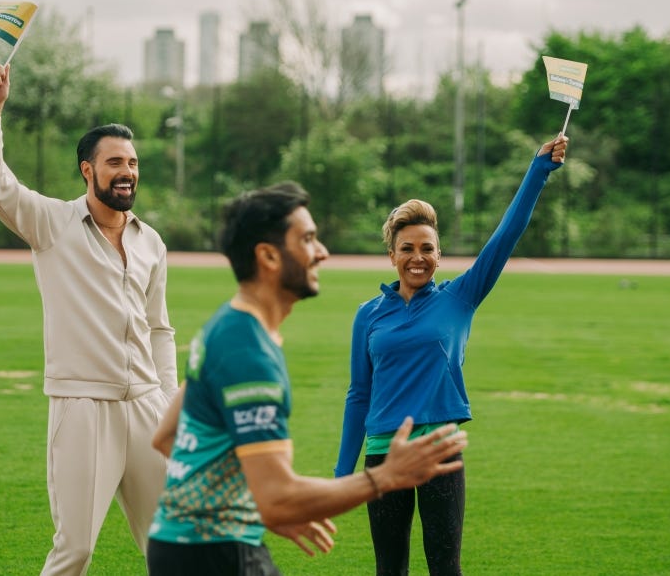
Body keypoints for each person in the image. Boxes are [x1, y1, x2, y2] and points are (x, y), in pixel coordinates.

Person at [147, 182, 468, 575]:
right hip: (217, 554)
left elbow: (167, 437)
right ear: (268, 256)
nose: (323, 252)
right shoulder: (250, 352)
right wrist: (385, 476)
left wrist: (259, 508)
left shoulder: (224, 328)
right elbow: (280, 495)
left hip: (186, 546)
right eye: (309, 239)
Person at [0, 63, 178, 575]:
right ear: (88, 170)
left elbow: (160, 329)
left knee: (174, 547)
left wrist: (170, 405)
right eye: (114, 162)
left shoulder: (151, 241)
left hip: (148, 406)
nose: (126, 171)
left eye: (131, 162)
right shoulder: (52, 224)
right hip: (83, 404)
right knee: (76, 549)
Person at [334, 134, 569, 575]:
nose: (417, 257)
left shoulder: (459, 298)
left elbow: (507, 235)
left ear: (439, 256)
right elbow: (358, 395)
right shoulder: (368, 316)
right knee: (390, 570)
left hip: (440, 450)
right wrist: (343, 473)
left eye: (427, 249)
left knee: (446, 568)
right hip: (384, 455)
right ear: (392, 255)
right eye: (407, 248)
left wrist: (538, 170)